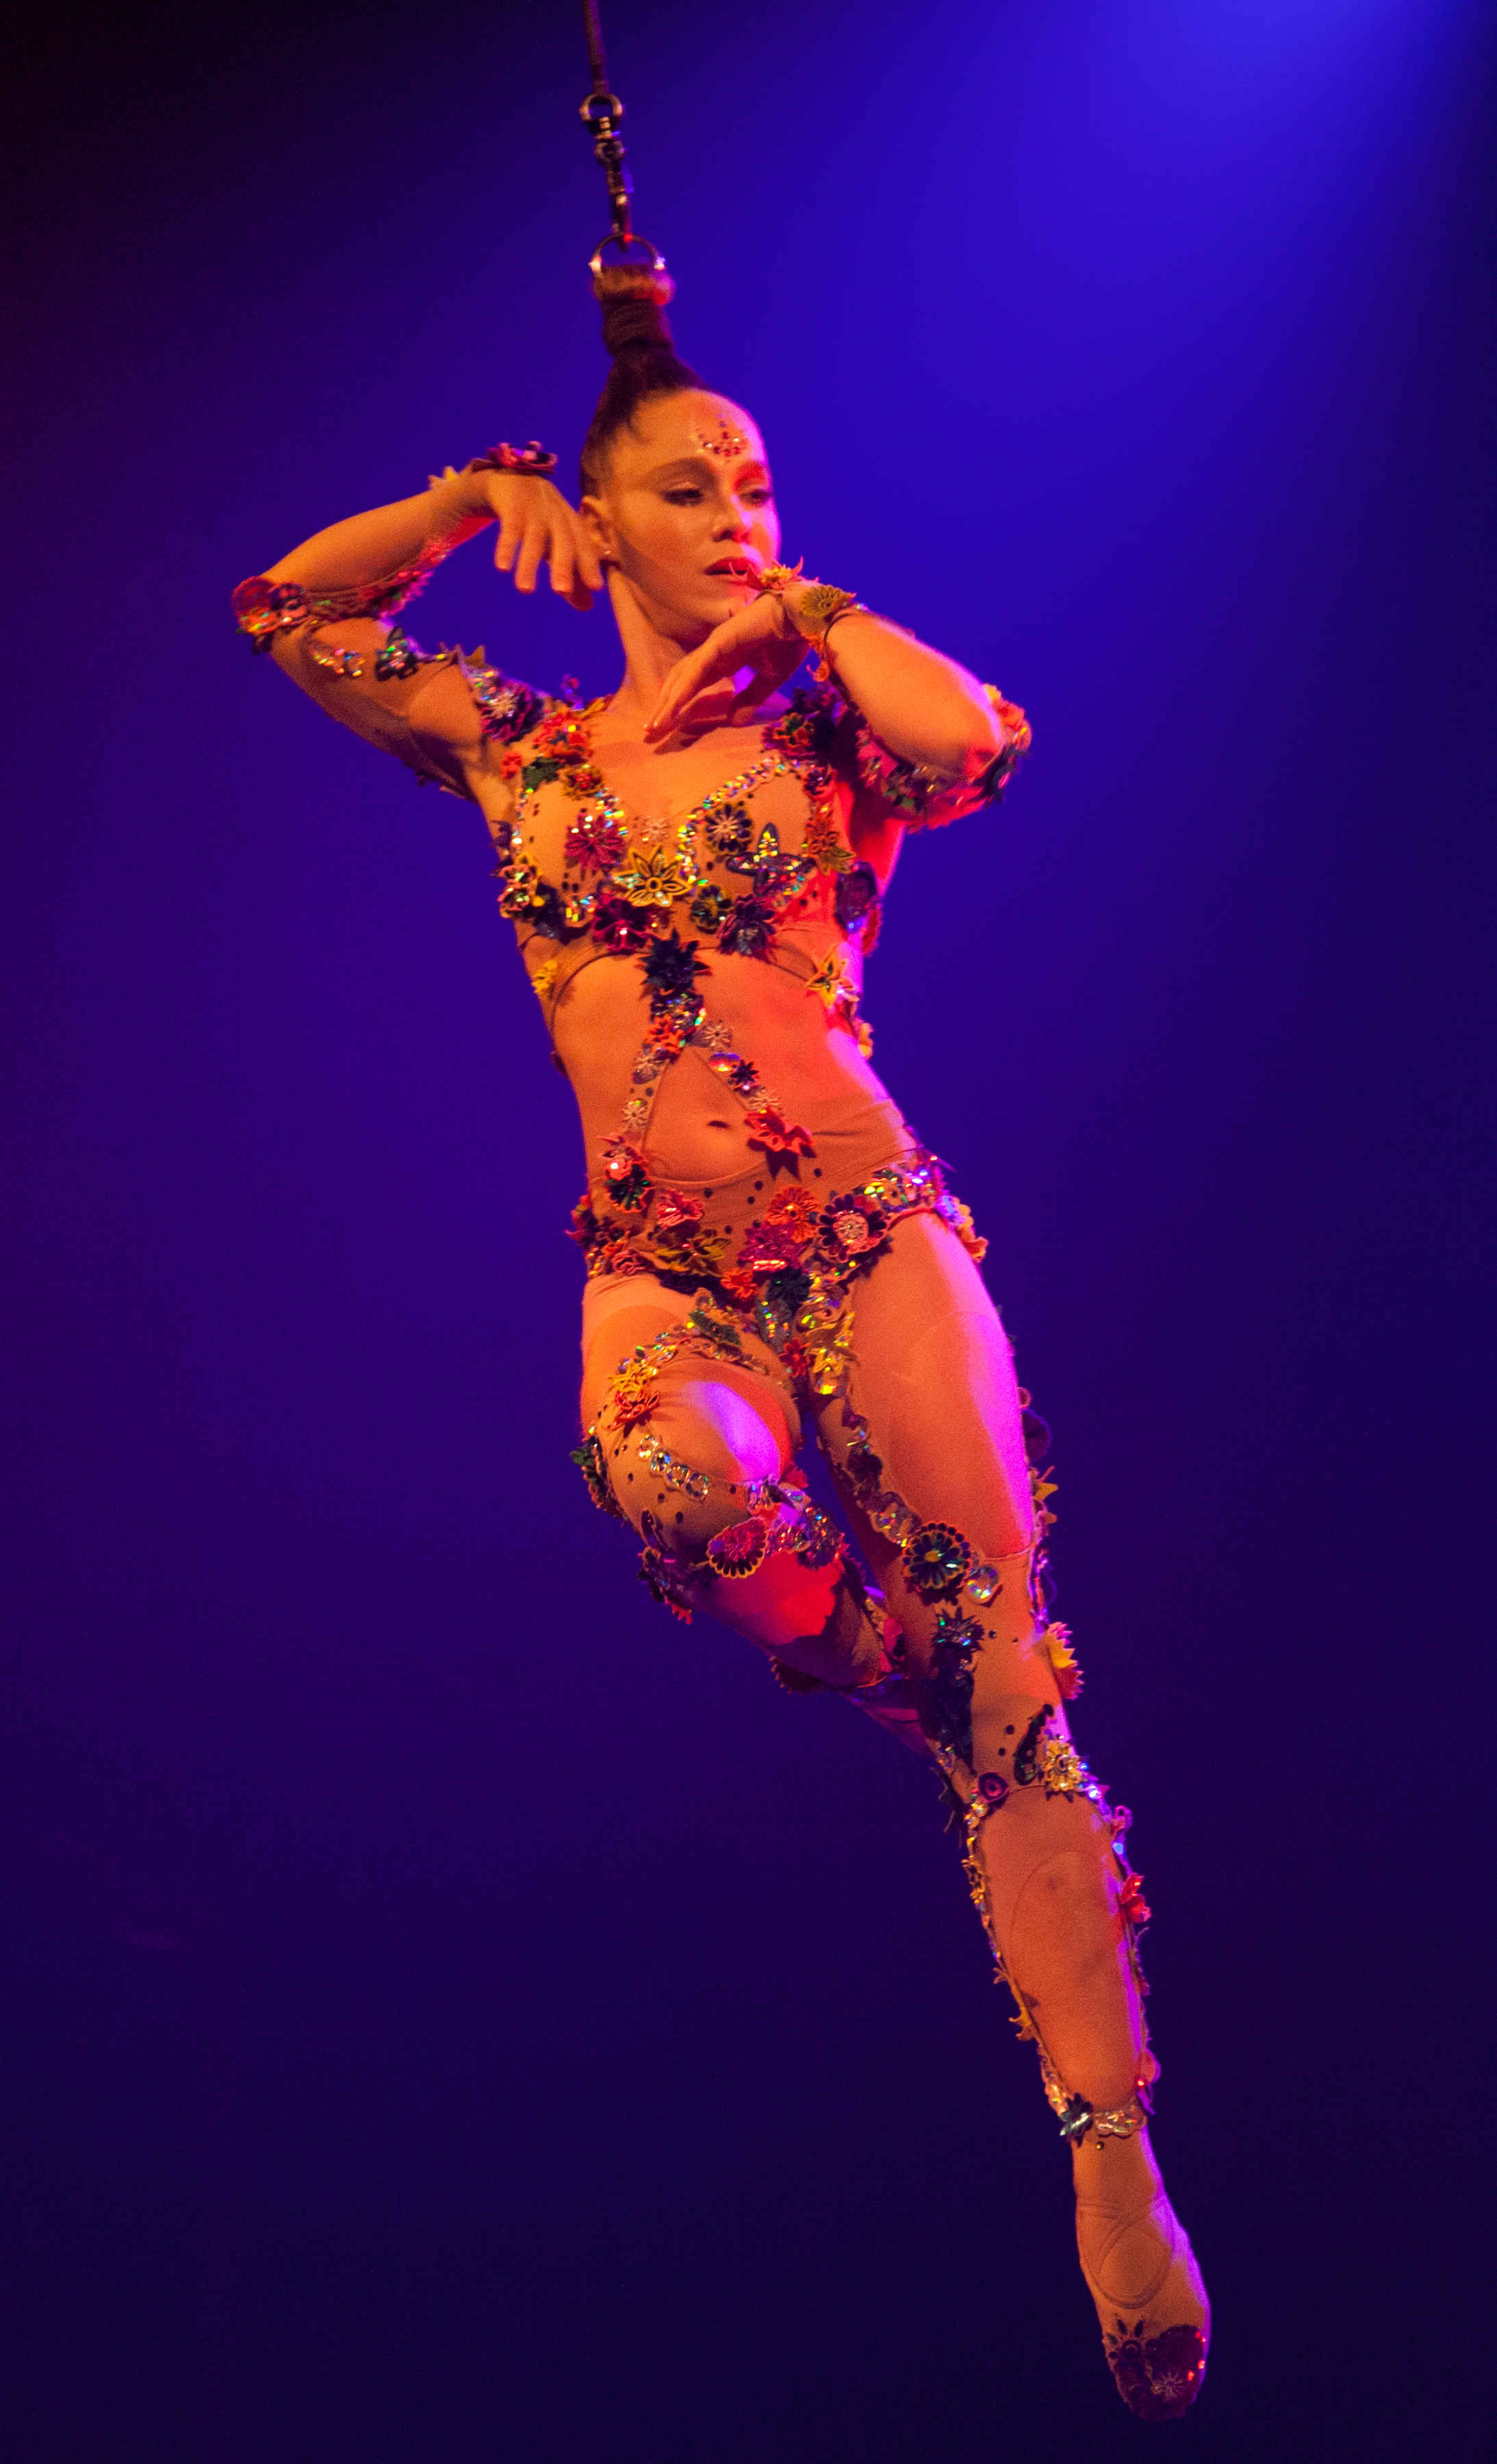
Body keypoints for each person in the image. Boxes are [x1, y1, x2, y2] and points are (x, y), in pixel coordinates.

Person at [232, 256, 1210, 2422]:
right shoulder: (518, 747)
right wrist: (459, 499)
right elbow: (286, 614)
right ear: (604, 524)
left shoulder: (825, 725)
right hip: (659, 1258)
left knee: (1011, 1683)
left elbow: (976, 742)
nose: (737, 517)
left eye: (756, 485)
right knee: (669, 1477)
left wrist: (812, 614)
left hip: (865, 1236)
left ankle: (1109, 2152)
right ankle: (860, 1654)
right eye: (688, 493)